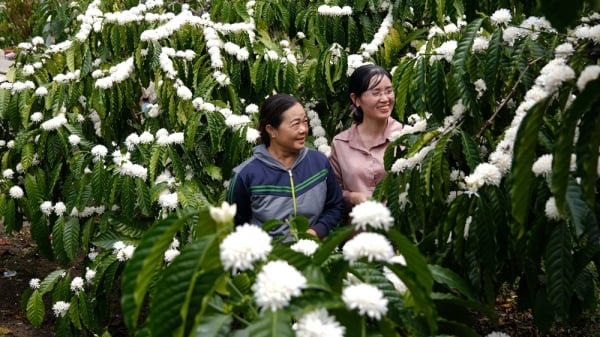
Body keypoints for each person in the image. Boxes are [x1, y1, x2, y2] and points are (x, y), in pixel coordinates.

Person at [227, 93, 344, 239]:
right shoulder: (246, 175)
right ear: (271, 130)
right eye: (295, 124)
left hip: (313, 254)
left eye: (305, 122)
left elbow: (335, 206)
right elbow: (234, 226)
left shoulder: (319, 163)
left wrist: (316, 232)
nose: (303, 129)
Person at [329, 64, 403, 214]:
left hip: (399, 232)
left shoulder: (405, 136)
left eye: (389, 91)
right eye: (376, 93)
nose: (384, 99)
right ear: (356, 99)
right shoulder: (341, 144)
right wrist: (352, 197)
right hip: (358, 232)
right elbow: (332, 191)